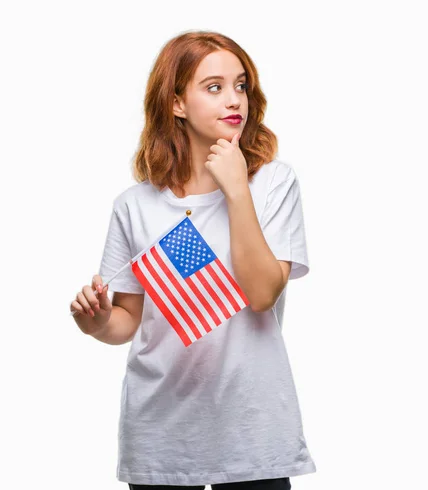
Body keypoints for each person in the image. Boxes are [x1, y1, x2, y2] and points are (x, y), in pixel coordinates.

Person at [70, 30, 315, 489]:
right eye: (214, 87)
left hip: (251, 430)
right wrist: (98, 322)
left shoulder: (273, 184)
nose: (234, 100)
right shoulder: (134, 204)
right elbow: (128, 319)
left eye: (240, 85)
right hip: (161, 431)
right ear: (177, 103)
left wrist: (237, 188)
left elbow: (262, 295)